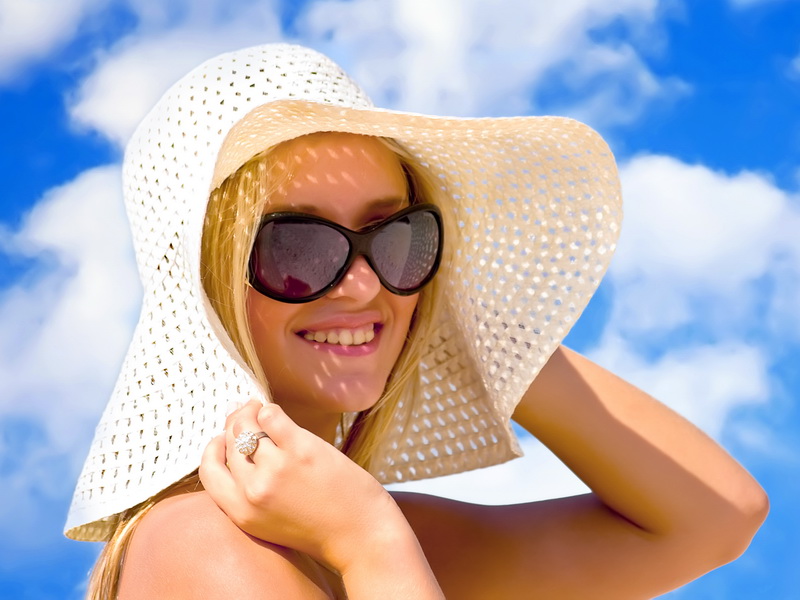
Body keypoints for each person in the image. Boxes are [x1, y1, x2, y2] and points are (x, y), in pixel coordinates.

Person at [66, 44, 768, 599]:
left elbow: (717, 516)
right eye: (297, 248)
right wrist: (370, 545)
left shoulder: (354, 527)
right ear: (205, 289)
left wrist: (441, 304)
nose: (364, 282)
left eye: (396, 236)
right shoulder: (205, 543)